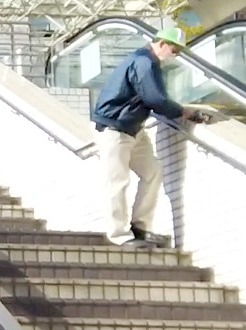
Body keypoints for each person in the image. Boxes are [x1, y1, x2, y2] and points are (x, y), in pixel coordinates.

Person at [90, 26, 213, 247]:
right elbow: (156, 99)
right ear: (162, 44)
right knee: (117, 181)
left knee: (153, 172)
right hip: (113, 127)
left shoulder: (148, 63)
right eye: (174, 50)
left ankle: (140, 226)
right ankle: (119, 235)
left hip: (133, 128)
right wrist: (183, 112)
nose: (174, 56)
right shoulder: (144, 62)